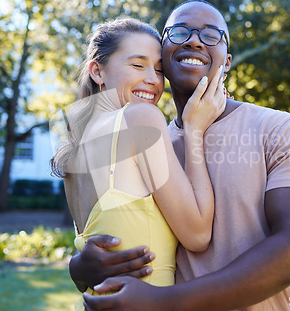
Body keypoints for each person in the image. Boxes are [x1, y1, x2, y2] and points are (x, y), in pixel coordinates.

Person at [75, 0, 290, 311]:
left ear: (226, 62)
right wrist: (79, 266)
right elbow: (113, 227)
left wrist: (163, 302)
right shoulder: (145, 141)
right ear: (165, 55)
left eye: (211, 35)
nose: (195, 40)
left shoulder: (281, 130)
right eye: (180, 31)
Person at [50, 18, 226, 308]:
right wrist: (195, 130)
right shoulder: (141, 118)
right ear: (97, 71)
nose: (154, 80)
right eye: (137, 65)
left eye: (159, 69)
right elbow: (197, 235)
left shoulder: (75, 151)